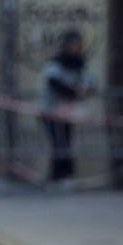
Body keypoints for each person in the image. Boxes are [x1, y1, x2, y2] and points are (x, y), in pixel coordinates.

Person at [40, 30, 93, 182]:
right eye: (74, 44)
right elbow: (55, 84)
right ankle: (56, 176)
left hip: (68, 112)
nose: (77, 47)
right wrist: (75, 92)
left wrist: (86, 88)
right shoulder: (54, 63)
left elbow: (89, 80)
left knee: (67, 143)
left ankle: (66, 175)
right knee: (58, 144)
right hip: (51, 111)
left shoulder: (79, 63)